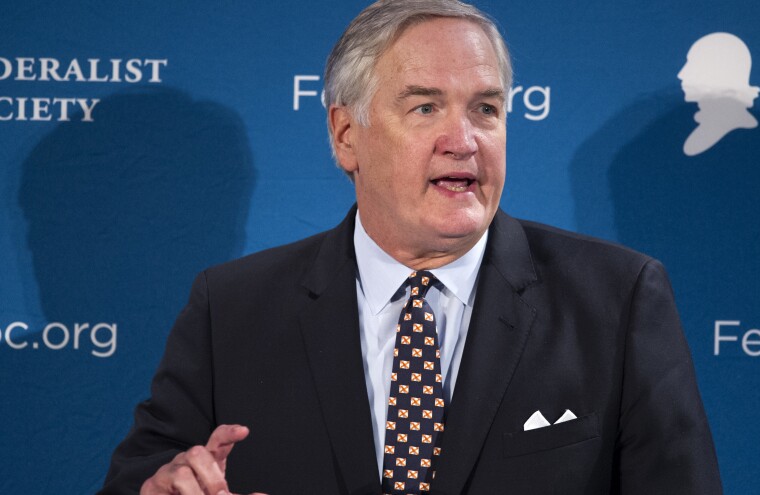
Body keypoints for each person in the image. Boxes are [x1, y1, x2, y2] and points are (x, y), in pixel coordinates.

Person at [101, 1, 723, 493]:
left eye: (486, 109)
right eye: (425, 107)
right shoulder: (231, 309)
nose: (464, 140)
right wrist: (166, 487)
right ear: (347, 136)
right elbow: (146, 477)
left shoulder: (618, 300)